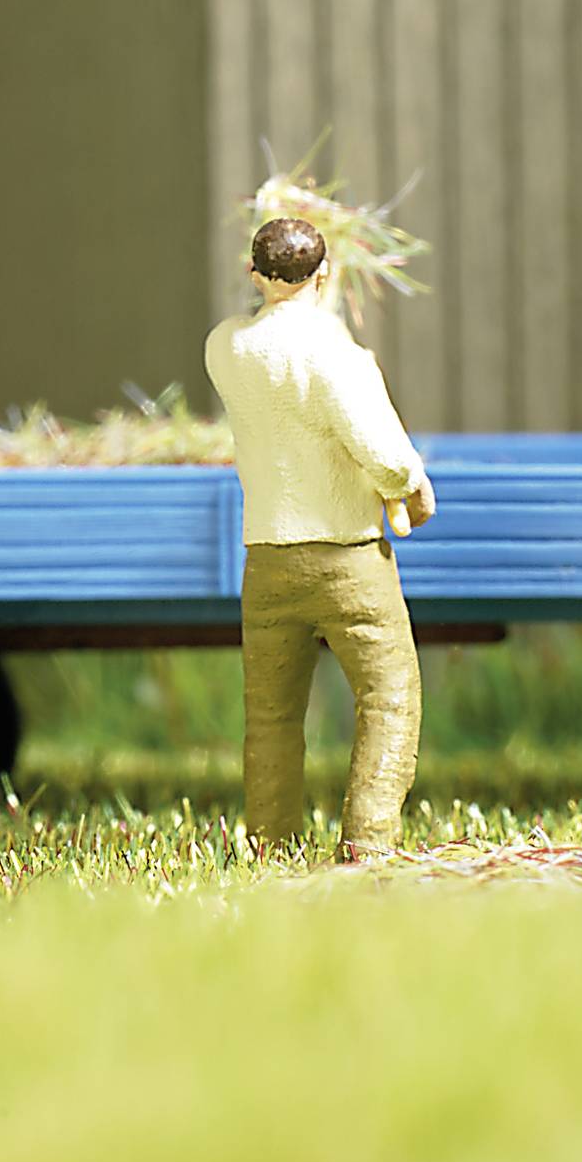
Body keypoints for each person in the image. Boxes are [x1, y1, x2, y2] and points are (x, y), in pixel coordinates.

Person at [204, 214, 438, 863]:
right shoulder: (338, 354)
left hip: (268, 559)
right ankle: (368, 842)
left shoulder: (225, 348)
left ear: (254, 275)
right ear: (327, 274)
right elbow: (386, 457)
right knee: (389, 697)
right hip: (348, 557)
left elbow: (273, 338)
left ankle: (271, 844)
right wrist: (412, 485)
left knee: (272, 717)